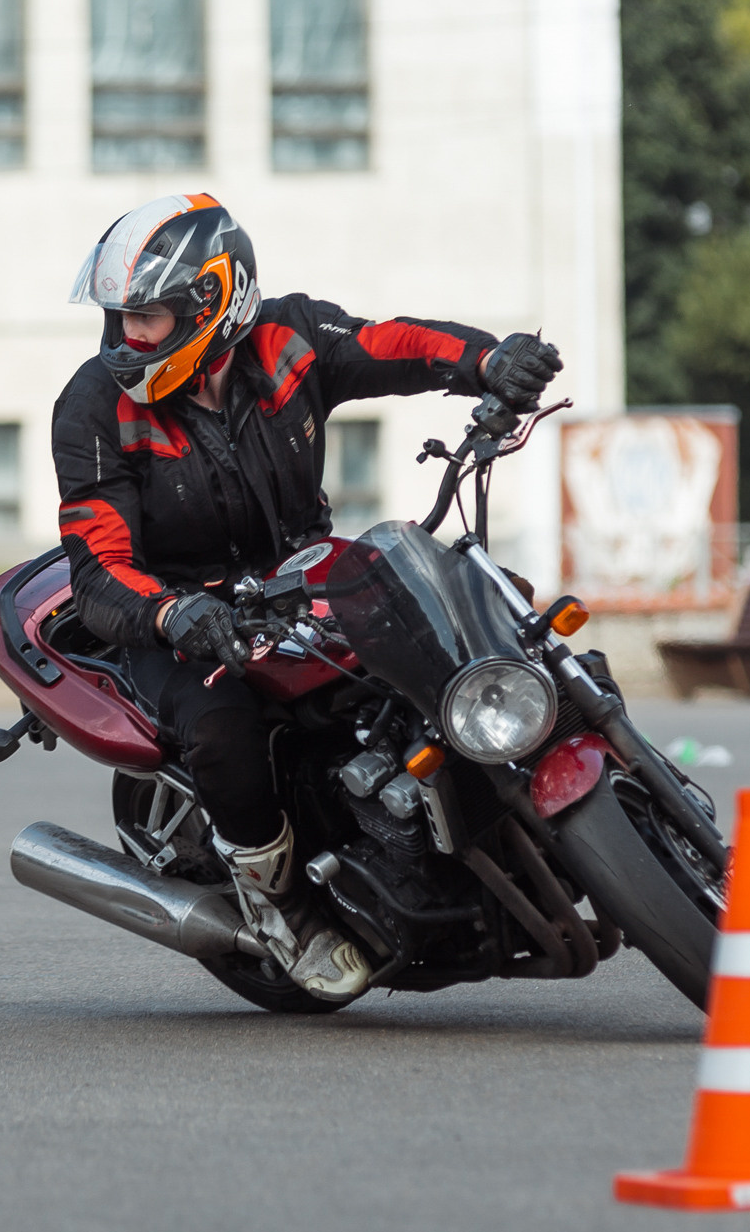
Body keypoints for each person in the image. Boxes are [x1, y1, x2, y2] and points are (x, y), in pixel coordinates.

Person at [54, 193, 562, 1001]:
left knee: (472, 616)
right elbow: (99, 564)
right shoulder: (94, 405)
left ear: (212, 302)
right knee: (222, 728)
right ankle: (279, 903)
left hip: (301, 575)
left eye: (145, 317)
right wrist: (173, 612)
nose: (126, 337)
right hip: (180, 617)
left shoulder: (288, 336)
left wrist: (489, 362)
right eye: (119, 318)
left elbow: (391, 343)